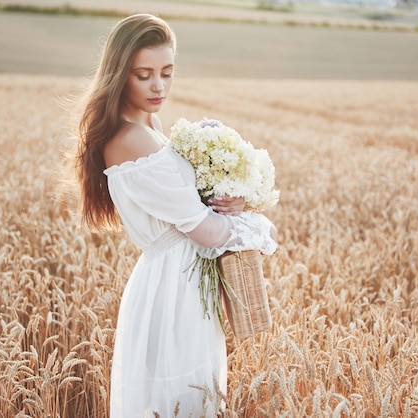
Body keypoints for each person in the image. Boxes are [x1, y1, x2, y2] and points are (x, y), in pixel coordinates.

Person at [73, 14, 278, 417]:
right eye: (144, 75)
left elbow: (184, 207)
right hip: (172, 289)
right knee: (179, 399)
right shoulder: (131, 138)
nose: (159, 86)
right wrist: (251, 225)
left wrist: (228, 202)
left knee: (188, 396)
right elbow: (202, 231)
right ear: (119, 75)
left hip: (178, 280)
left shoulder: (147, 125)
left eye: (167, 73)